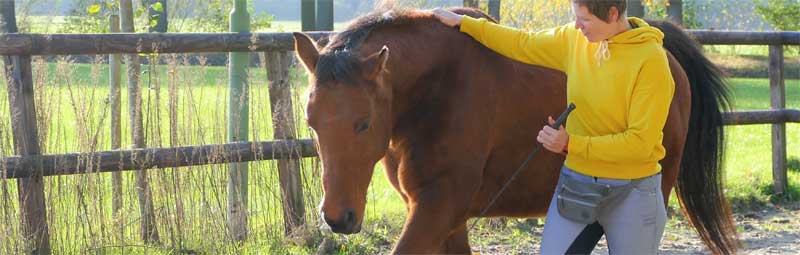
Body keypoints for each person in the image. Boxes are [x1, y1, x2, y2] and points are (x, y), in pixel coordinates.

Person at [432, 0, 674, 254]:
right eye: (576, 17)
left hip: (633, 193)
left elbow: (640, 144)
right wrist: (465, 23)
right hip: (579, 184)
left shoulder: (651, 61)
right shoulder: (574, 39)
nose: (578, 26)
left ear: (613, 14)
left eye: (585, 19)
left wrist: (570, 143)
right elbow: (522, 43)